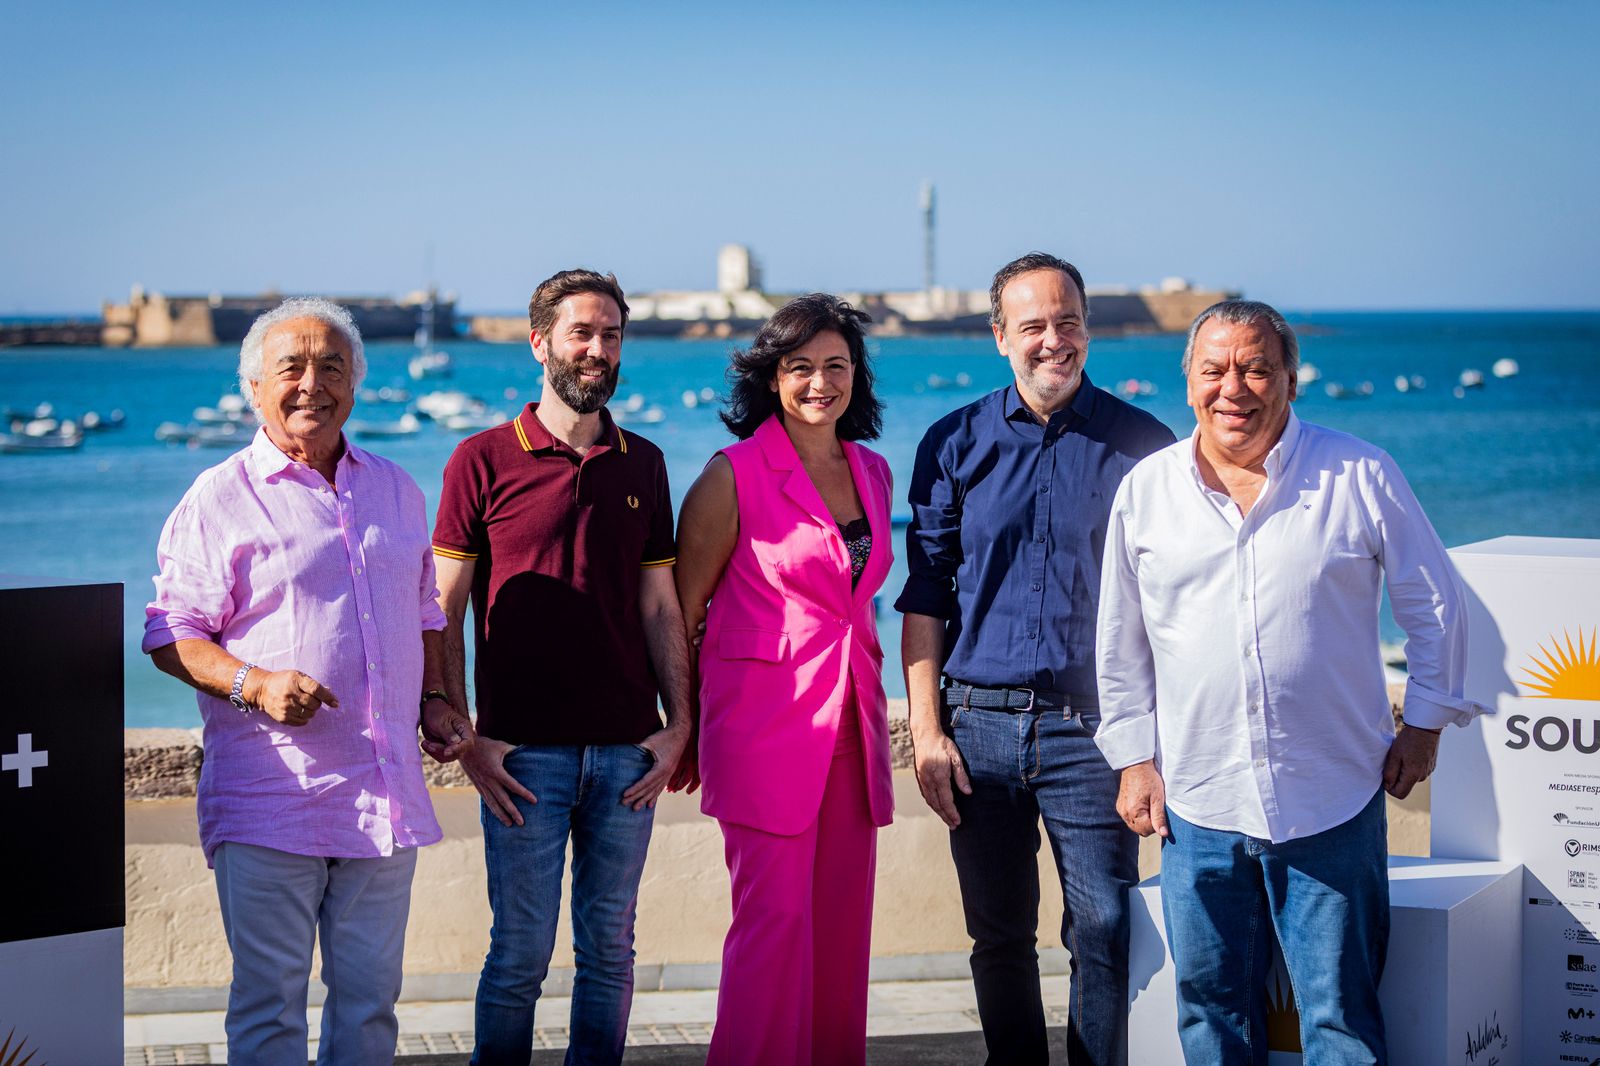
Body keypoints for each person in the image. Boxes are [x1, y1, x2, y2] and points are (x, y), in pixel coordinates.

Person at [1095, 299, 1480, 1062]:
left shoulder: (1360, 473)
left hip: (1330, 798)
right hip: (1198, 804)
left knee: (1338, 1016)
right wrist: (1134, 756)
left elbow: (1436, 606)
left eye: (1255, 368)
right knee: (1209, 1014)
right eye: (1213, 369)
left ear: (1290, 380)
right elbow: (1120, 640)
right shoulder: (1147, 491)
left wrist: (1427, 725)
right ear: (1188, 382)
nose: (1232, 387)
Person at [144, 298, 474, 1066]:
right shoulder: (217, 498)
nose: (312, 383)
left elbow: (423, 611)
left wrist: (433, 700)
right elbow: (169, 632)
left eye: (333, 366)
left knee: (369, 1012)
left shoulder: (396, 488)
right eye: (290, 366)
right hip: (271, 800)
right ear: (254, 387)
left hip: (383, 796)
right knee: (268, 1013)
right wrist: (253, 683)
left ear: (355, 385)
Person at [897, 253, 1176, 1064]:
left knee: (1105, 927)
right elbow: (925, 593)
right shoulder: (953, 441)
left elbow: (1170, 606)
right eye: (1033, 326)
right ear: (999, 338)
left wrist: (1146, 745)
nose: (1053, 340)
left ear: (1088, 328)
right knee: (999, 935)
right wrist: (927, 730)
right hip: (975, 726)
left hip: (1095, 733)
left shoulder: (1143, 446)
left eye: (1068, 322)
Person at [430, 268, 693, 1066]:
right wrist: (464, 732)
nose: (598, 350)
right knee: (518, 957)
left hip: (626, 756)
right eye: (582, 333)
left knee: (611, 955)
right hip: (521, 758)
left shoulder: (643, 463)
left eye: (611, 335)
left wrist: (680, 726)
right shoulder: (479, 461)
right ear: (540, 342)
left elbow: (659, 606)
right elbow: (442, 608)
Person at [673, 293, 895, 1066]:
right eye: (801, 368)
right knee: (772, 936)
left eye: (837, 367)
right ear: (772, 378)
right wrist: (685, 728)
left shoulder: (872, 470)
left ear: (856, 377)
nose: (819, 384)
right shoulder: (730, 476)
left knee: (840, 936)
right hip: (764, 733)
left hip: (852, 734)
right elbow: (682, 615)